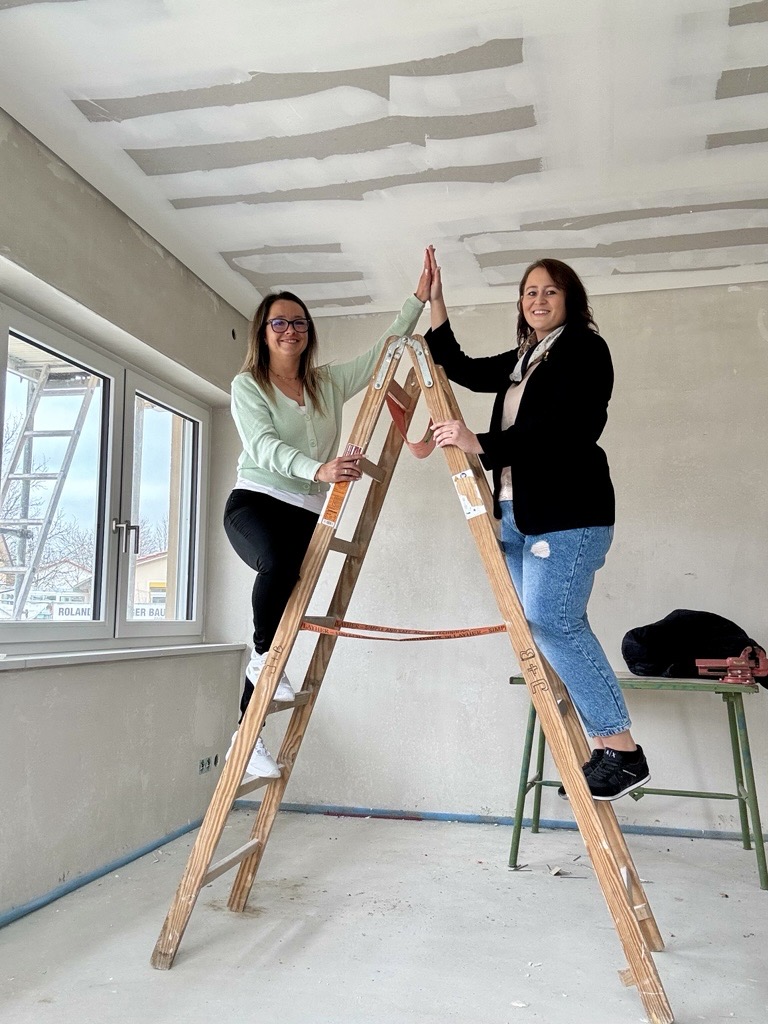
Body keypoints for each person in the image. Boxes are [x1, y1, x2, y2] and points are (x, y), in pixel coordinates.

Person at [422, 246, 650, 801]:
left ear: (570, 300)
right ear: (521, 305)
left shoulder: (583, 351)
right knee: (539, 628)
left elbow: (563, 428)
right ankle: (604, 741)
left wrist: (484, 444)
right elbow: (465, 369)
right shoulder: (529, 358)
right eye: (530, 292)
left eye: (551, 290)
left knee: (554, 623)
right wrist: (436, 303)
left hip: (568, 515)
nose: (539, 299)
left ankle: (622, 751)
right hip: (519, 517)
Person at [224, 272, 429, 777]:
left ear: (308, 331)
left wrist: (417, 299)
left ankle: (244, 741)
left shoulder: (327, 383)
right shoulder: (248, 385)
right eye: (280, 322)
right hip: (257, 501)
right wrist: (318, 469)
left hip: (305, 513)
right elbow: (263, 446)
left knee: (283, 608)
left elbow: (381, 354)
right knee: (273, 571)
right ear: (263, 331)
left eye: (299, 322)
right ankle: (262, 658)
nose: (290, 330)